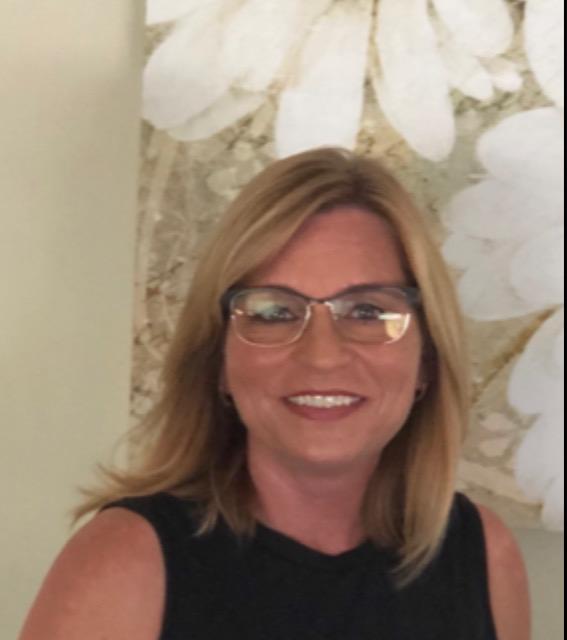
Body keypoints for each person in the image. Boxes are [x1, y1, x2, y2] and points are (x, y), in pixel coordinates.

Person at [19, 148, 531, 640]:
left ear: (426, 360)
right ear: (218, 361)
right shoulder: (127, 563)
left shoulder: (485, 559)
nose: (323, 356)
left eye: (368, 311)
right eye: (273, 312)